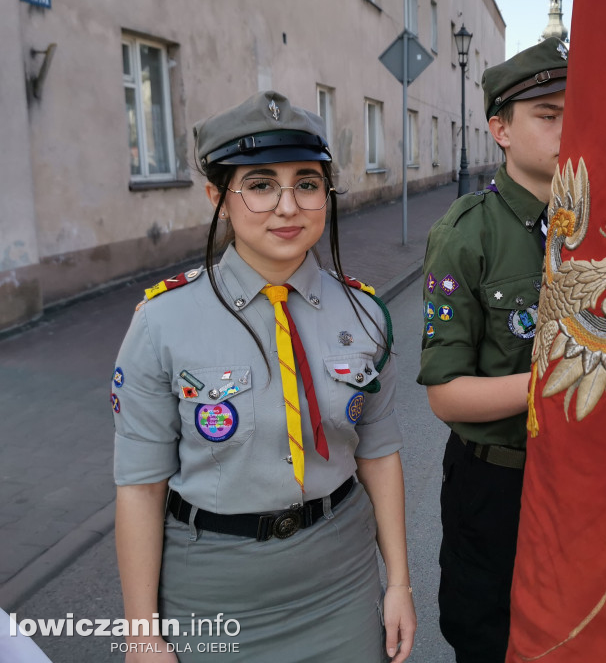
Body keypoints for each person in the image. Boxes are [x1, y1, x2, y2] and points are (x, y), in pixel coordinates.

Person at [112, 91, 415, 662]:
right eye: (259, 184)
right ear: (218, 199)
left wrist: (398, 583)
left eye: (306, 182)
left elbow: (379, 452)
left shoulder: (365, 314)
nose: (287, 206)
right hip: (215, 591)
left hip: (341, 580)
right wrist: (142, 633)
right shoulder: (163, 321)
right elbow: (141, 487)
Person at [417, 37, 567, 662]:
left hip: (588, 479)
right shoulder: (467, 233)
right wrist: (562, 381)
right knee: (492, 640)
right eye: (550, 115)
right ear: (500, 129)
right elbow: (445, 395)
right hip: (501, 483)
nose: (571, 129)